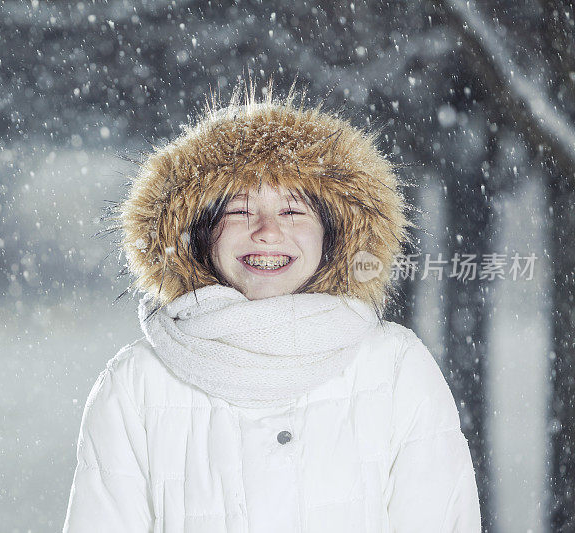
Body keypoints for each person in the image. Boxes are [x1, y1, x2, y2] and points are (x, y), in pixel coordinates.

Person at [62, 82, 482, 532]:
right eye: (240, 211)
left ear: (333, 233)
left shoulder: (395, 366)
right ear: (199, 232)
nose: (266, 231)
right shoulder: (136, 383)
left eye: (293, 212)